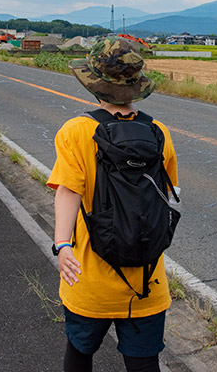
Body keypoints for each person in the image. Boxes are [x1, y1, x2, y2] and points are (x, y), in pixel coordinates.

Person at [47, 37, 178, 372]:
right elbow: (169, 194)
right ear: (136, 87)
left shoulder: (77, 131)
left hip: (87, 275)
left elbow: (67, 191)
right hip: (147, 279)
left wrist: (62, 245)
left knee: (79, 353)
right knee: (144, 363)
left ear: (95, 85)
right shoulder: (159, 133)